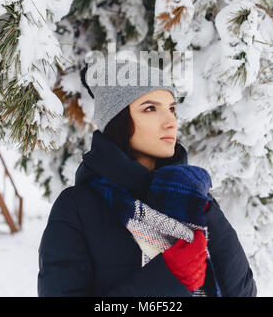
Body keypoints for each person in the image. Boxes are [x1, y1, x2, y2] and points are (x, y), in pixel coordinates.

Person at [37, 60, 257, 297]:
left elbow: (243, 293)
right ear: (118, 120)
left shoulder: (191, 197)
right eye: (150, 108)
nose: (170, 121)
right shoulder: (77, 207)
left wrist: (206, 210)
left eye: (171, 108)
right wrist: (167, 279)